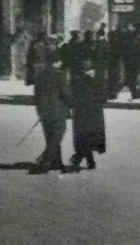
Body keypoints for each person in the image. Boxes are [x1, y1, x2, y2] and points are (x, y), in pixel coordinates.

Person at [31, 44, 69, 173]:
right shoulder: (60, 74)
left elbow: (36, 95)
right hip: (57, 110)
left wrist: (39, 109)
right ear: (57, 61)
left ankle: (56, 162)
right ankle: (45, 158)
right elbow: (65, 93)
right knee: (58, 133)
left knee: (49, 136)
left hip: (43, 111)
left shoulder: (40, 75)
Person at [69, 57, 107, 171]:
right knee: (88, 135)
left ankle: (82, 158)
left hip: (85, 112)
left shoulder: (81, 79)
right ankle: (85, 159)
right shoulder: (96, 79)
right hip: (91, 112)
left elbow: (74, 94)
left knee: (84, 135)